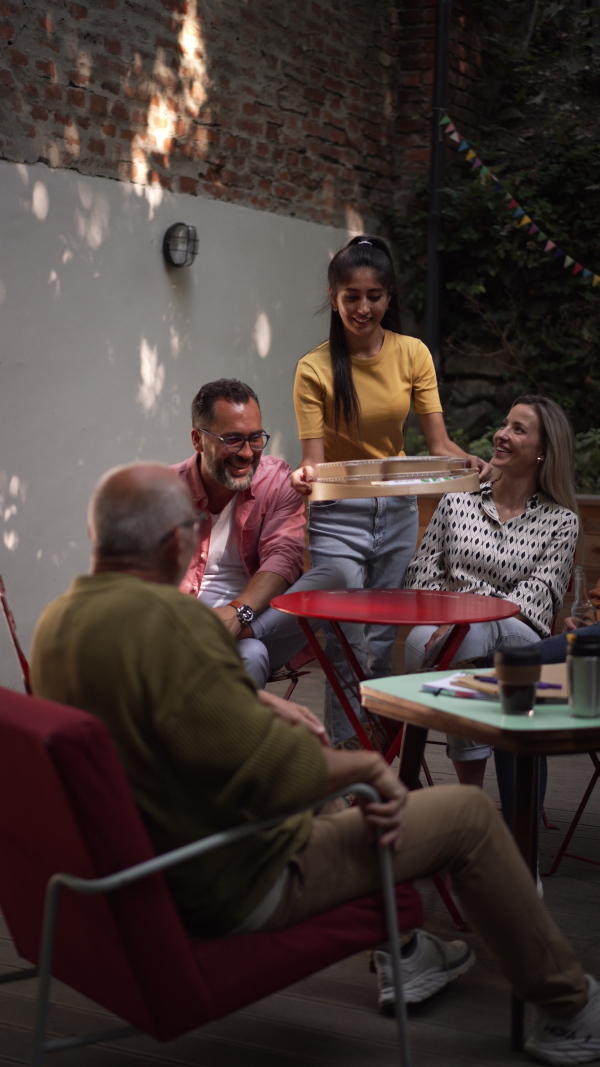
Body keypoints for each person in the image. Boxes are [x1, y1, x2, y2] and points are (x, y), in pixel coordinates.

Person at [29, 462, 600, 1064]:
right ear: (176, 542)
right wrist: (365, 770)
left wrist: (266, 716)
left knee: (352, 804)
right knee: (464, 816)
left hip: (140, 865)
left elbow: (160, 722)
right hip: (230, 878)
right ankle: (571, 1007)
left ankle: (406, 951)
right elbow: (281, 778)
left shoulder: (59, 622)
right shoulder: (173, 624)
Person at [291, 235, 488, 747]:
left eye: (374, 295)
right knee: (347, 640)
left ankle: (375, 753)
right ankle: (351, 758)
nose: (363, 307)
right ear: (334, 297)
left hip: (398, 507)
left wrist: (463, 460)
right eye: (351, 296)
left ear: (389, 295)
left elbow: (438, 440)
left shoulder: (412, 353)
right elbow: (313, 462)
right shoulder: (314, 368)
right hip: (337, 512)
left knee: (381, 639)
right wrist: (304, 477)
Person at [404, 395, 579, 792]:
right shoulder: (456, 501)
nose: (501, 434)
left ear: (543, 452)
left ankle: (467, 800)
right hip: (441, 627)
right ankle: (478, 802)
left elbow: (534, 601)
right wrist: (464, 616)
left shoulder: (561, 522)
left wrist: (467, 609)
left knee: (475, 634)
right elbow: (420, 578)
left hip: (519, 637)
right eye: (505, 424)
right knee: (474, 638)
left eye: (518, 429)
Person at [172, 378, 347, 688]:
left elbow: (283, 558)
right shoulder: (164, 492)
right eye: (233, 439)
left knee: (334, 578)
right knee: (251, 655)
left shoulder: (277, 480)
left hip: (260, 622)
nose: (247, 452)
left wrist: (237, 615)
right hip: (183, 635)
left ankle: (241, 633)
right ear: (198, 440)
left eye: (255, 439)